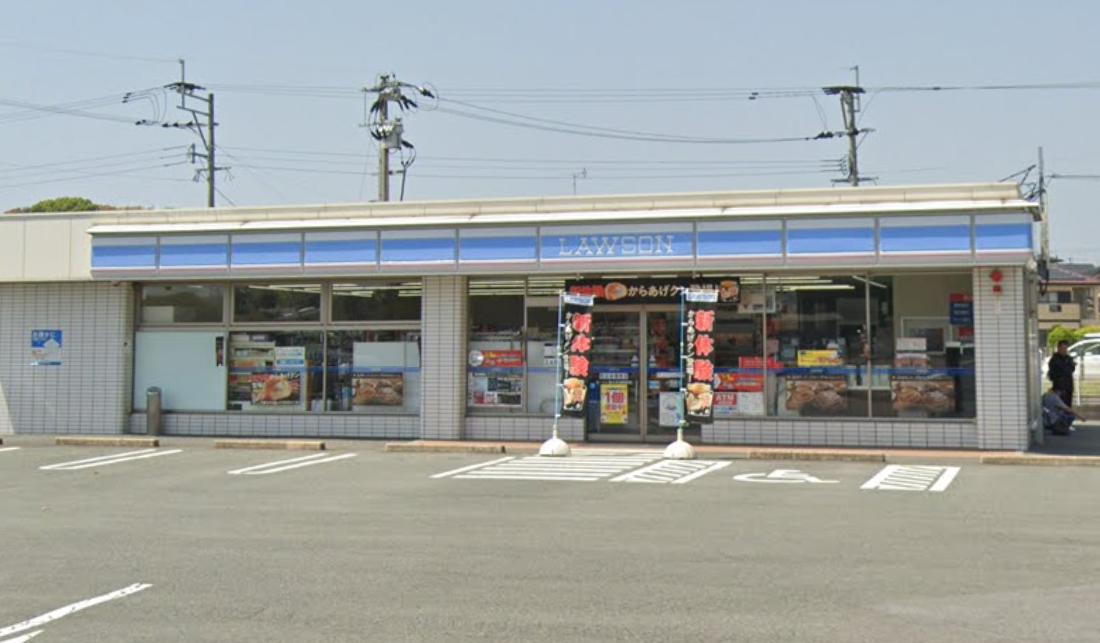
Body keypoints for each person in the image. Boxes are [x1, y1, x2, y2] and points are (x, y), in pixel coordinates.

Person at [1048, 340, 1076, 407]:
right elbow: (1056, 372)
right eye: (1063, 348)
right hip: (1059, 388)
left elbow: (1071, 369)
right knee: (1060, 407)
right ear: (1058, 348)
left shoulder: (1069, 358)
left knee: (1068, 406)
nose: (1064, 350)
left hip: (1068, 387)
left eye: (1066, 348)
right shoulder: (1054, 359)